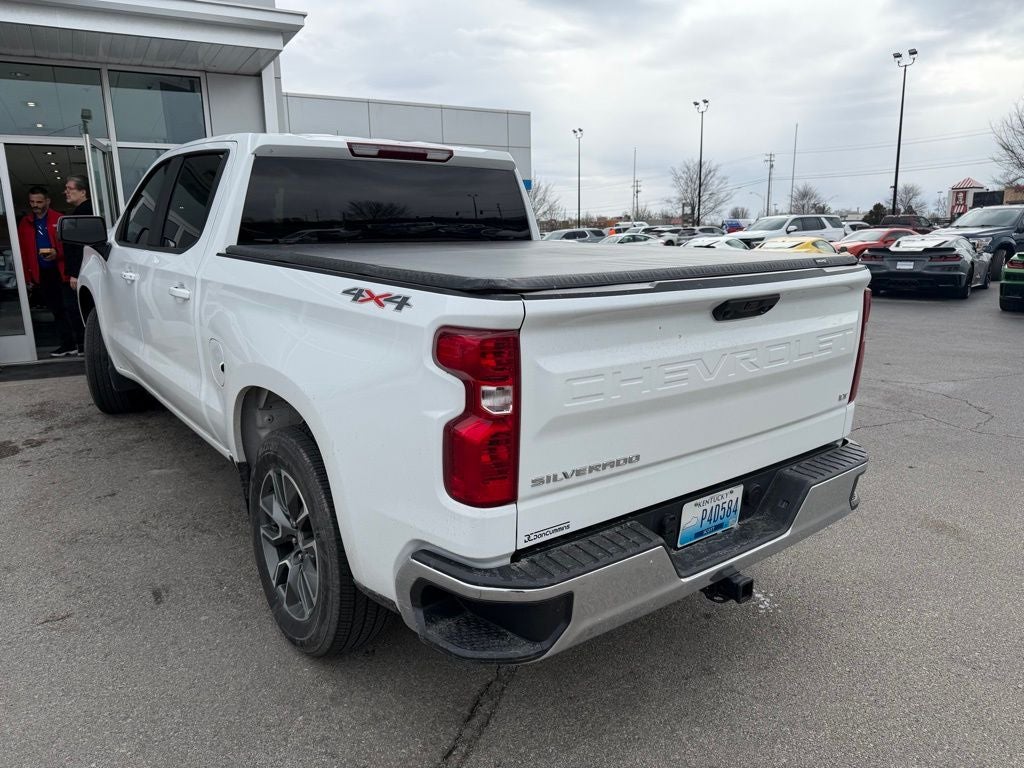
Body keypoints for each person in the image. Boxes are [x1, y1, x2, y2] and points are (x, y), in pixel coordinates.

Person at [16, 185, 77, 356]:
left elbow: (71, 246)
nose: (35, 205)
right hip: (41, 273)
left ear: (48, 201)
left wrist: (57, 253)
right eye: (32, 202)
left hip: (61, 271)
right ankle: (68, 344)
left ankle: (79, 343)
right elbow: (22, 251)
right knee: (56, 309)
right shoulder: (26, 223)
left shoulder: (60, 219)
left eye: (39, 201)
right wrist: (27, 276)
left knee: (70, 308)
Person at [61, 175, 92, 353]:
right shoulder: (80, 211)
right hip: (80, 270)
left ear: (83, 191)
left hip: (81, 271)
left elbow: (80, 246)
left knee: (78, 310)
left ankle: (85, 346)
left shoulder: (85, 212)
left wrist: (75, 273)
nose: (66, 192)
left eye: (69, 188)